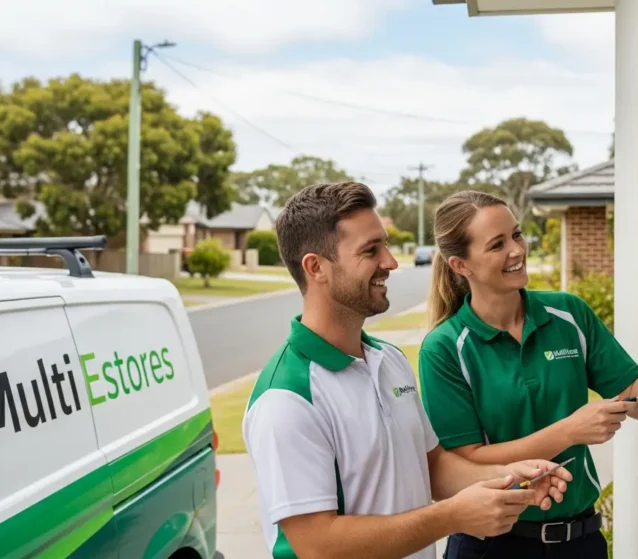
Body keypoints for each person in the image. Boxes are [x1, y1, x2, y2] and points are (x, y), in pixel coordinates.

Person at [242, 182, 575, 559]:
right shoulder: (286, 399)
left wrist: (512, 477)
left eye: (384, 245)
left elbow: (431, 465)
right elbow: (317, 544)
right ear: (316, 267)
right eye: (371, 250)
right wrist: (450, 517)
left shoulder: (390, 361)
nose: (390, 261)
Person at [417, 190, 638, 558]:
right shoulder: (444, 348)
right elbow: (466, 460)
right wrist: (569, 432)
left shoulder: (568, 314)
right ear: (461, 265)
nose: (516, 250)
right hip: (491, 545)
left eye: (516, 234)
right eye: (497, 244)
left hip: (579, 540)